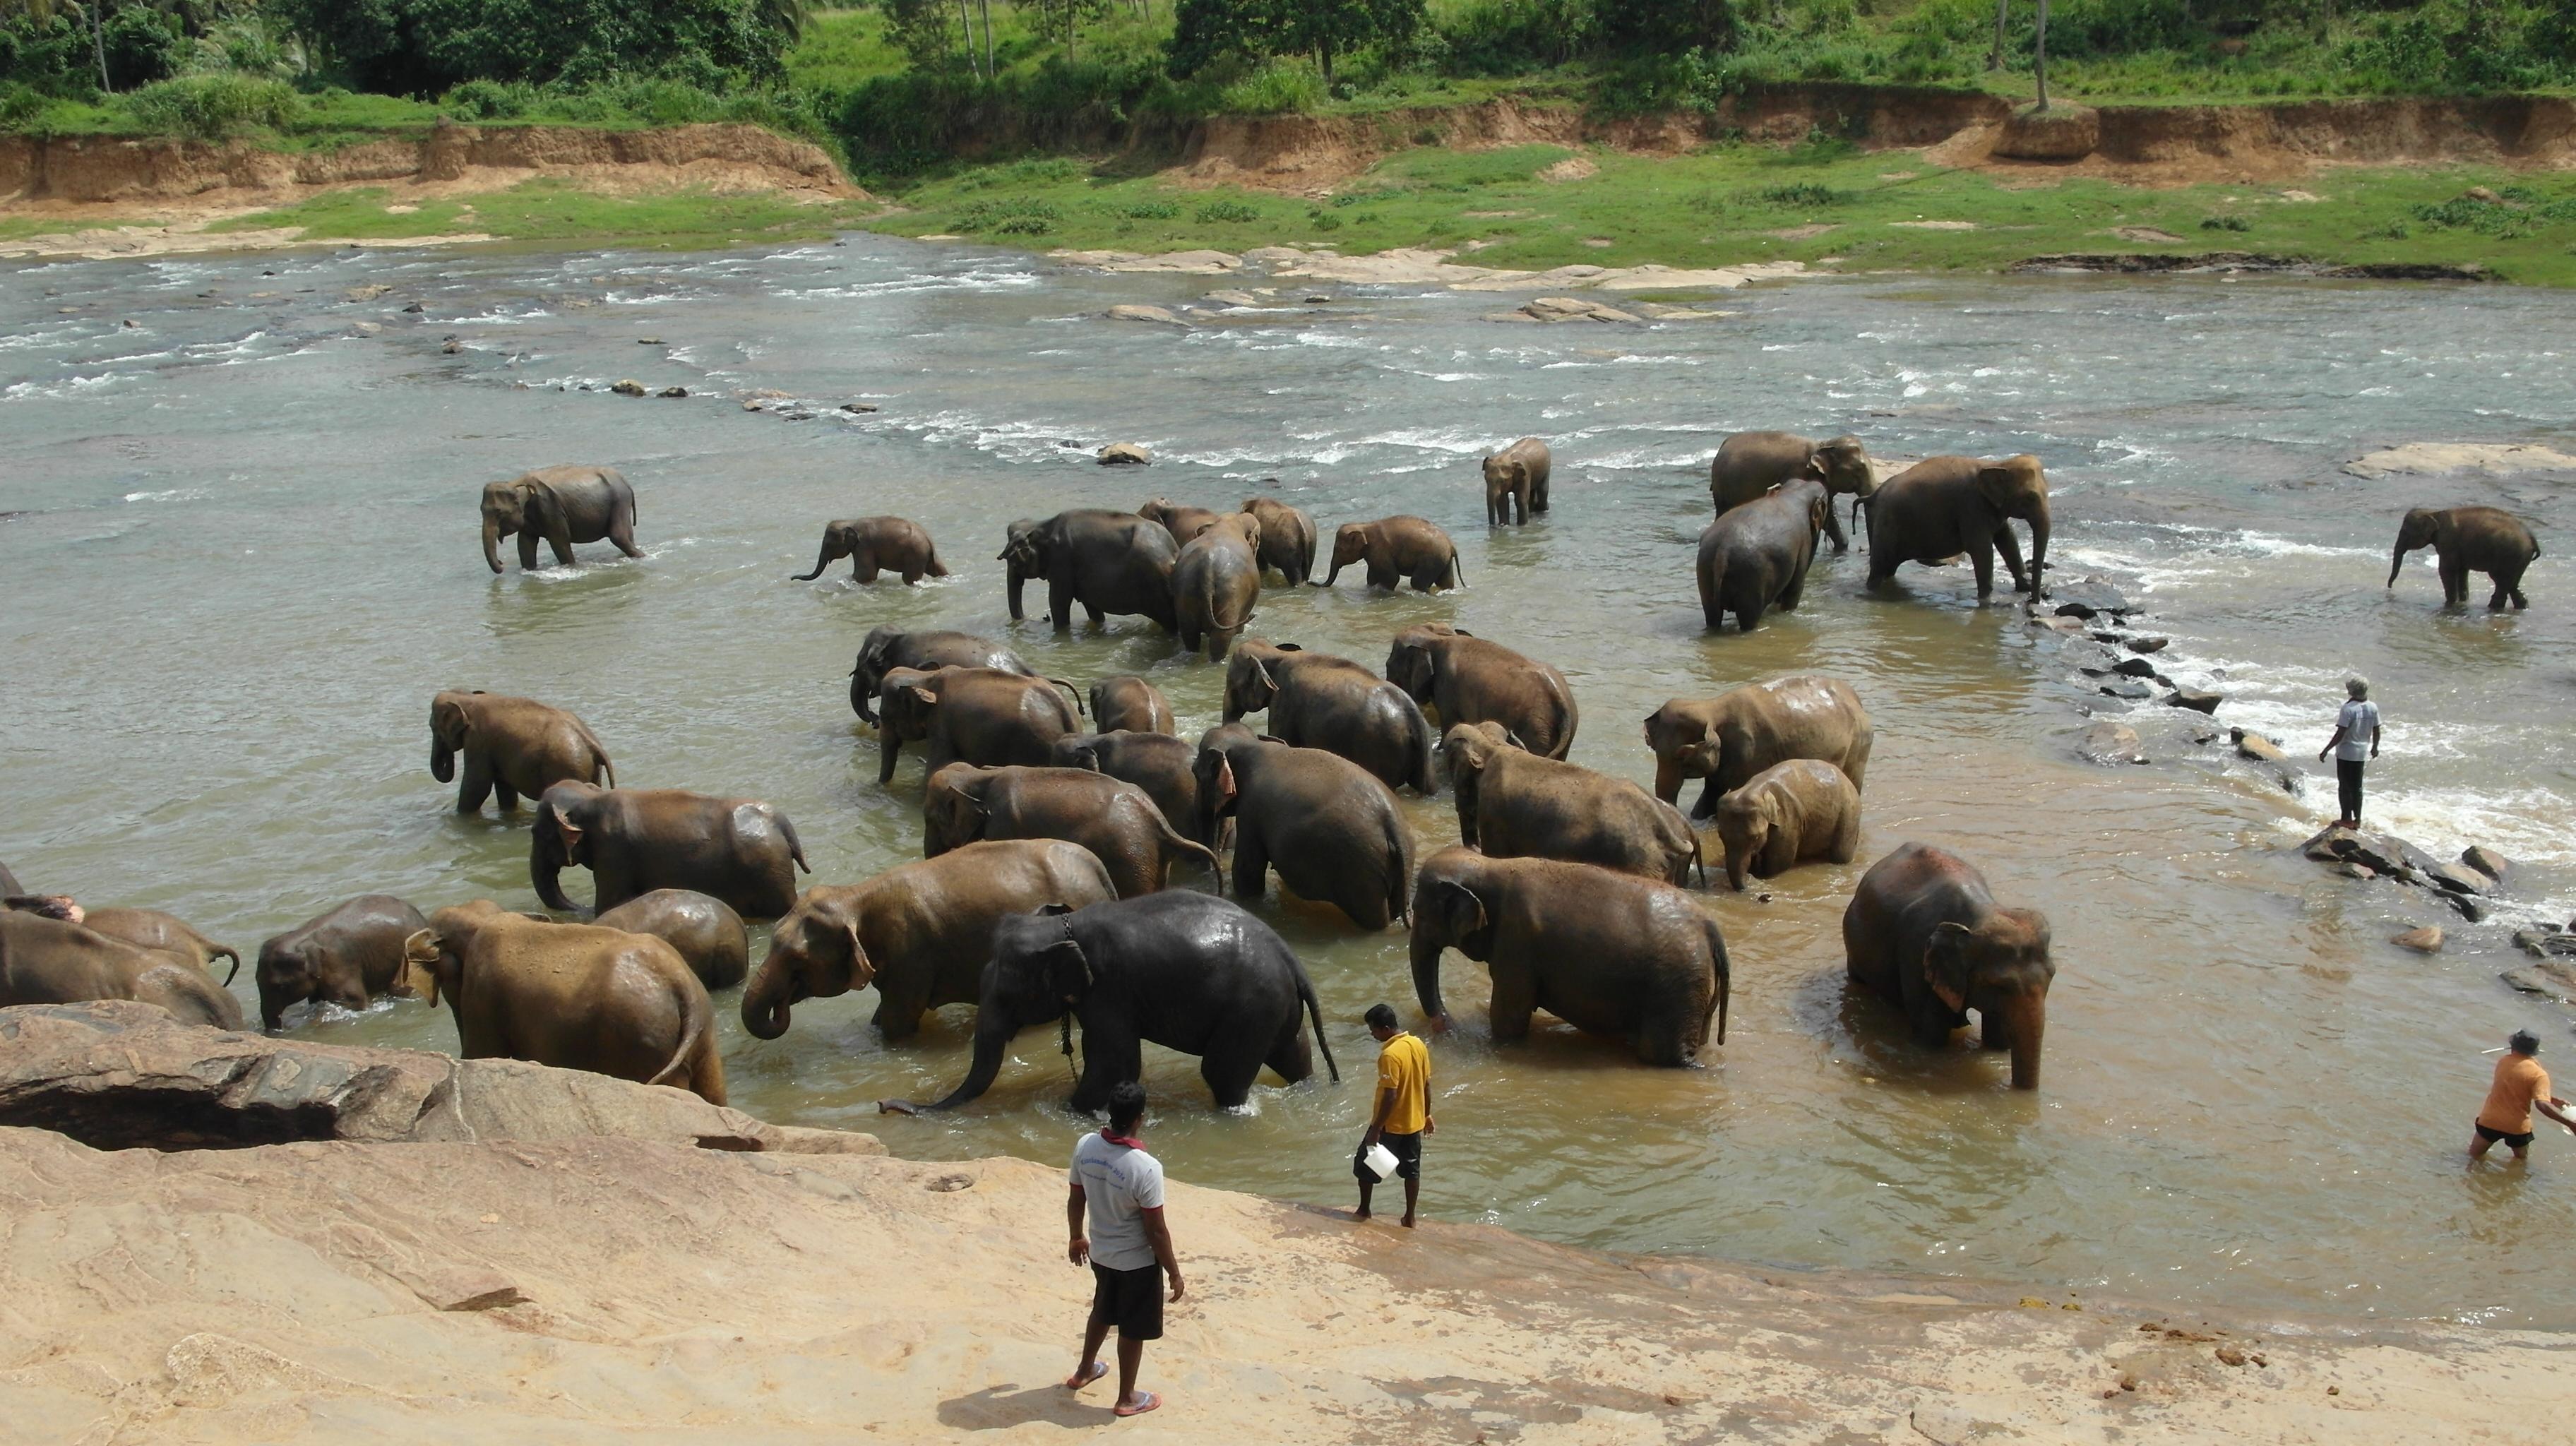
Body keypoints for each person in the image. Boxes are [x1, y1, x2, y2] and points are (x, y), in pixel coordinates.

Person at [1065, 1080, 1181, 1418]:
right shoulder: (1145, 1167)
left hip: (1100, 1254)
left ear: (1110, 1113)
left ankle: (1085, 1370)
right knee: (1132, 1328)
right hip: (1137, 1263)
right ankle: (1127, 1398)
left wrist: (1076, 1237)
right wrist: (1174, 1272)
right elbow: (1156, 1230)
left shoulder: (1085, 1146)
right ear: (1140, 1118)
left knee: (1103, 1311)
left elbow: (1076, 1197)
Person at [1354, 1003, 1432, 1227]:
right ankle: (1410, 1217)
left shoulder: (1390, 1054)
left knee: (1365, 1166)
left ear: (1386, 1029)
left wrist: (1377, 1129)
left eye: (1374, 1029)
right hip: (1414, 1123)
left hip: (1391, 1125)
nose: (1372, 1033)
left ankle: (1364, 1209)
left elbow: (1390, 1095)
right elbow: (1426, 1085)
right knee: (1411, 1171)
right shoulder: (1418, 1045)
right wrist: (1427, 1116)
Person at [2471, 1030, 2576, 1163]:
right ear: (2535, 1051)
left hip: (2490, 1121)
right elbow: (2541, 1104)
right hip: (2517, 1127)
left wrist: (2551, 1099)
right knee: (2520, 1161)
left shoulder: (2503, 1062)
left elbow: (2515, 1087)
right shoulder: (2539, 1074)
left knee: (2474, 1158)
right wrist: (2570, 1124)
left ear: (2512, 1045)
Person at [2317, 676, 2382, 830]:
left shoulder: (2348, 709)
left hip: (2347, 752)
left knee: (2345, 786)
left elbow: (2341, 733)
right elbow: (2377, 729)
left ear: (2352, 691)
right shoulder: (2372, 707)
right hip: (2361, 752)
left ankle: (2346, 819)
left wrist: (2326, 750)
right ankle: (2357, 820)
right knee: (2357, 787)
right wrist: (2375, 747)